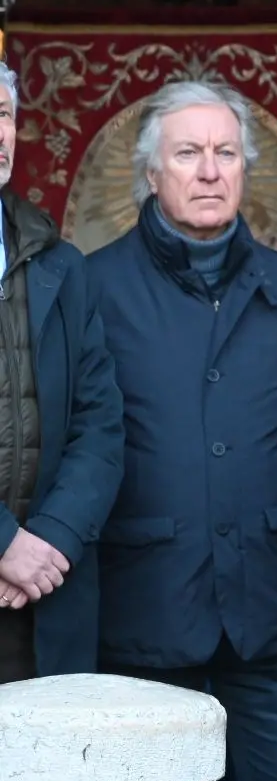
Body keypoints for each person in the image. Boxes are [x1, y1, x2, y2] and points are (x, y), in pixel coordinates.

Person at [88, 79, 277, 781]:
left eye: (225, 153)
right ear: (151, 172)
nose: (209, 171)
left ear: (244, 169)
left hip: (270, 601)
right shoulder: (92, 286)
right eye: (188, 153)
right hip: (147, 597)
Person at [0, 60, 125, 684]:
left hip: (46, 593)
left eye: (1, 115)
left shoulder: (62, 266)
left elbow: (100, 423)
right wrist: (5, 543)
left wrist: (51, 538)